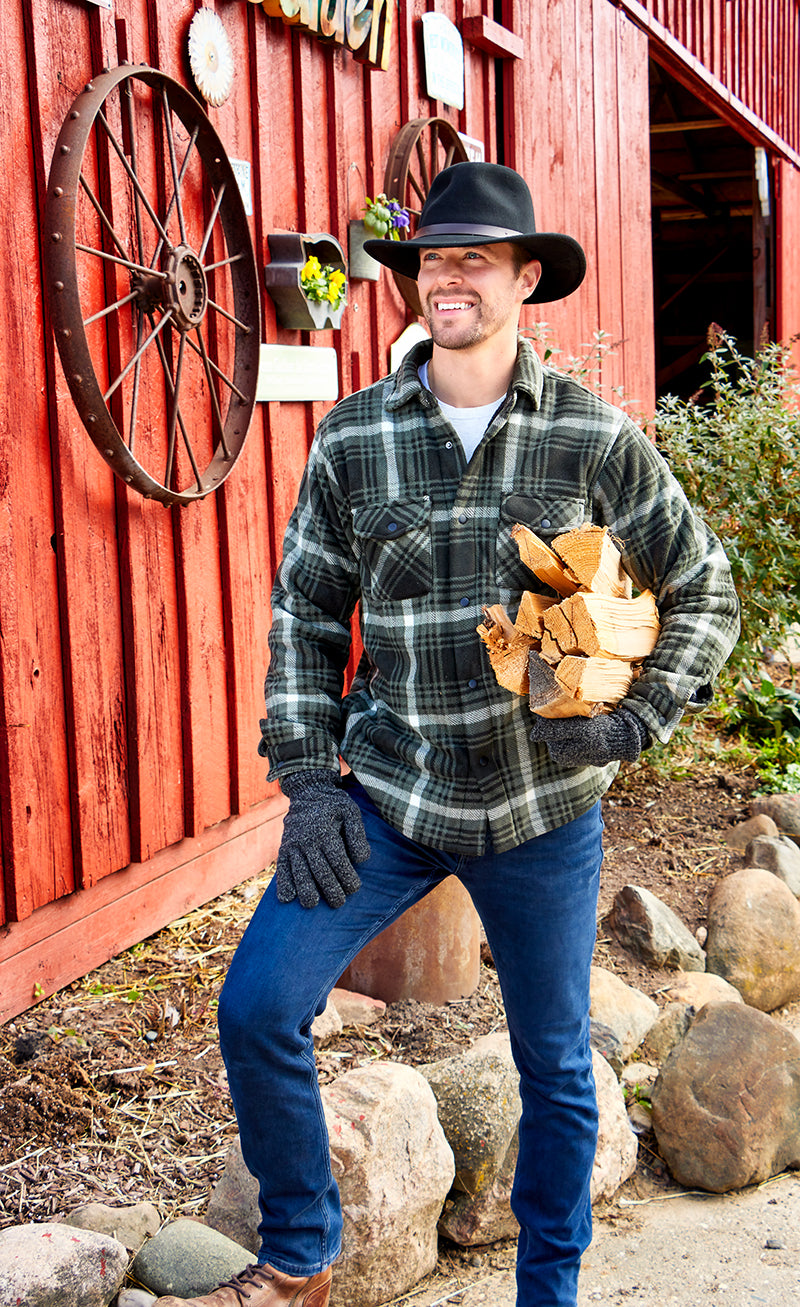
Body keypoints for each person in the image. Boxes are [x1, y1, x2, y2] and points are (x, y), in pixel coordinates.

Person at [154, 162, 739, 1307]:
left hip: (538, 809)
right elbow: (305, 616)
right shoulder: (354, 438)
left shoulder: (589, 435)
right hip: (392, 795)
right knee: (257, 1006)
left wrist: (634, 718)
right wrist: (306, 783)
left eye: (475, 257)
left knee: (554, 1065)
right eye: (432, 257)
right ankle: (300, 1257)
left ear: (524, 279)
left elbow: (703, 586)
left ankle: (545, 1292)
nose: (447, 276)